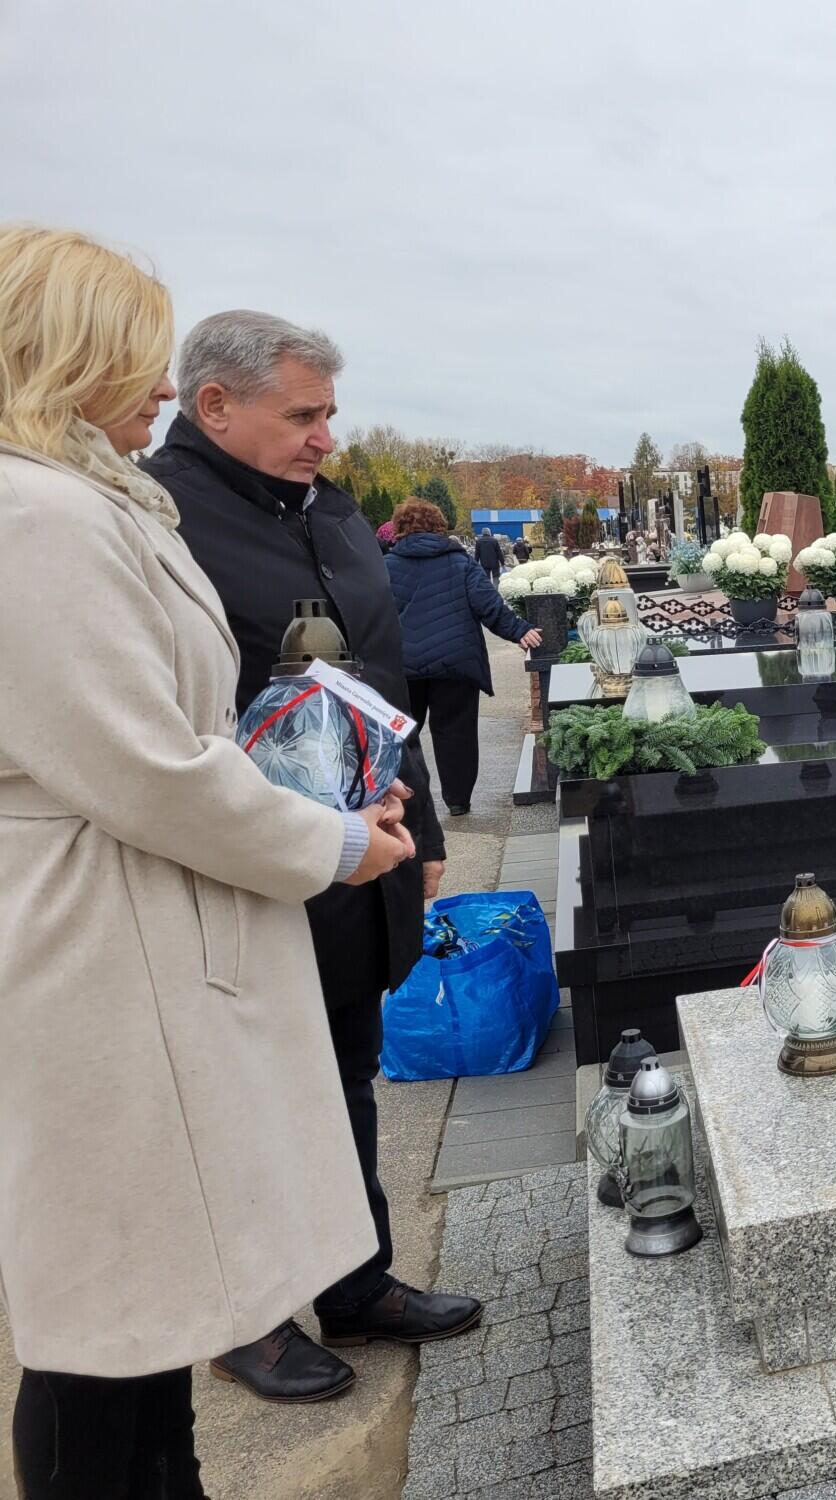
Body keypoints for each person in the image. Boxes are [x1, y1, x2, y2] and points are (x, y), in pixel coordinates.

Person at [0, 228, 410, 1496]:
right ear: (60, 356)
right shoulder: (36, 517)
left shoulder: (87, 498)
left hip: (151, 921)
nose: (165, 385)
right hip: (106, 942)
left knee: (144, 1312)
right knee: (111, 1320)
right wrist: (330, 839)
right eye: (138, 357)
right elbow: (145, 764)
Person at [145, 309, 483, 1404]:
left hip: (359, 855)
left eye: (329, 414)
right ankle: (246, 1317)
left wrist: (423, 836)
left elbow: (382, 686)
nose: (325, 437)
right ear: (215, 405)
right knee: (241, 1094)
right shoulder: (161, 520)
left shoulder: (330, 513)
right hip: (241, 865)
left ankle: (354, 1279)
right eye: (302, 416)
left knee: (345, 1069)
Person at [386, 499, 541, 814]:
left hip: (403, 666)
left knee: (400, 735)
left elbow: (371, 615)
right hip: (455, 662)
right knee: (456, 733)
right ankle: (457, 800)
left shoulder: (385, 566)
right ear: (439, 526)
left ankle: (406, 801)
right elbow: (488, 605)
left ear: (399, 528)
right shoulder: (459, 563)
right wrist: (519, 631)